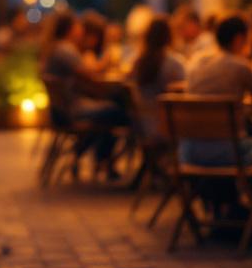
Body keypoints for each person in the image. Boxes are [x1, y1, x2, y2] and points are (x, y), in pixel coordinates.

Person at [182, 12, 252, 207]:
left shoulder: (195, 62)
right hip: (226, 152)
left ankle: (239, 209)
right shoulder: (240, 65)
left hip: (189, 151)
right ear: (240, 39)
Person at [42, 12, 130, 178]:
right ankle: (103, 160)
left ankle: (97, 158)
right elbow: (89, 74)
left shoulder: (57, 48)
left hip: (62, 110)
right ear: (70, 29)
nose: (80, 29)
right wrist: (107, 57)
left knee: (112, 110)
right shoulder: (65, 49)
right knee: (120, 112)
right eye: (77, 25)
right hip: (71, 111)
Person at [131, 17, 186, 143]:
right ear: (169, 36)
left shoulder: (138, 63)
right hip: (167, 127)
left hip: (143, 127)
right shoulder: (173, 63)